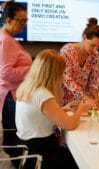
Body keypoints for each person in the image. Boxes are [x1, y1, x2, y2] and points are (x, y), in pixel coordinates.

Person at [15, 49, 90, 169]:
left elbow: (39, 115)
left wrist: (63, 109)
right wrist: (81, 109)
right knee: (79, 161)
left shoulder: (28, 88)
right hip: (39, 154)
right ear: (54, 73)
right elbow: (69, 125)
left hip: (25, 148)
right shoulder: (43, 94)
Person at [0, 1, 32, 155]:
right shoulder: (6, 41)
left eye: (26, 20)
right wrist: (34, 69)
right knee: (14, 141)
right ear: (8, 20)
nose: (24, 25)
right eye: (21, 21)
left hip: (11, 96)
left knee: (13, 139)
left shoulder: (7, 39)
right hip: (10, 97)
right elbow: (5, 73)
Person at [60, 17, 99, 110]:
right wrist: (85, 98)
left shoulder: (95, 55)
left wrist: (96, 98)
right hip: (64, 101)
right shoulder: (67, 51)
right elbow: (67, 79)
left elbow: (94, 79)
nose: (95, 49)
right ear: (84, 37)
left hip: (82, 102)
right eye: (92, 45)